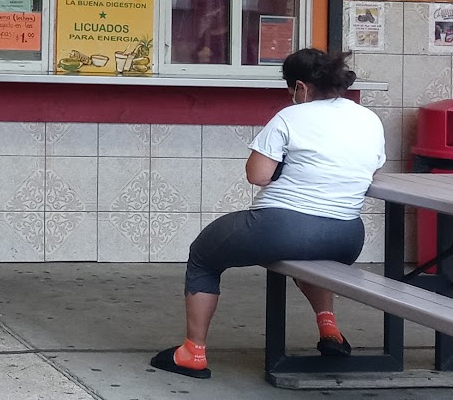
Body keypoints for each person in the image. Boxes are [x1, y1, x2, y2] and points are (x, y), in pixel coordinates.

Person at [151, 48, 386, 380]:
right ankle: (329, 329)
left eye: (291, 89)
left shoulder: (291, 117)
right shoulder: (368, 118)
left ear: (301, 87)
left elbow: (257, 175)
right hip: (347, 235)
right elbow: (372, 171)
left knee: (203, 256)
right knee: (313, 259)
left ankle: (193, 352)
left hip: (281, 227)